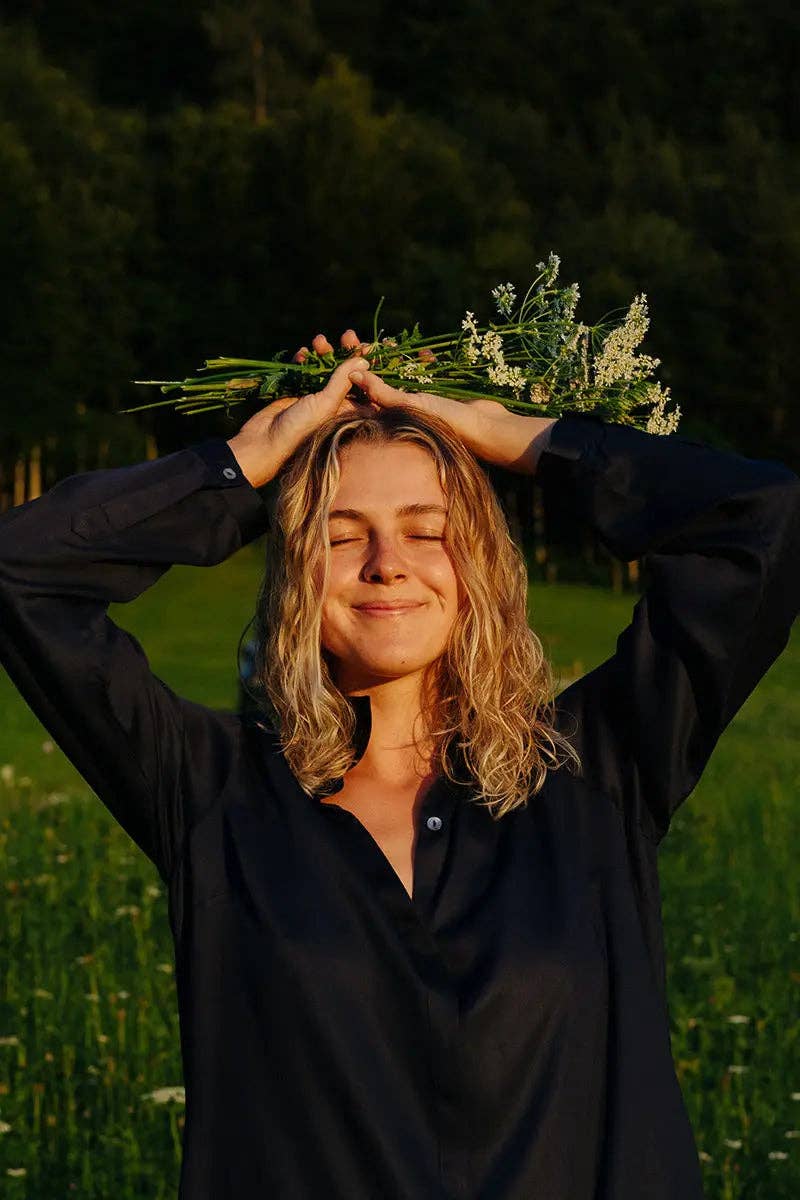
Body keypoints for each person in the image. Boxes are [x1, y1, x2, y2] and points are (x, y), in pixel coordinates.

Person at [0, 329, 798, 1200]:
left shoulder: (598, 764)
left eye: (427, 531)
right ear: (297, 570)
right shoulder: (211, 790)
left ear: (481, 563)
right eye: (343, 536)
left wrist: (518, 437)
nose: (388, 566)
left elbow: (761, 522)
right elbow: (23, 572)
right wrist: (248, 463)